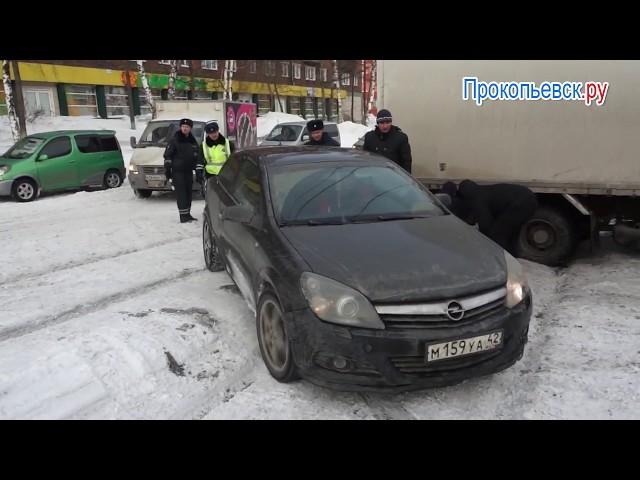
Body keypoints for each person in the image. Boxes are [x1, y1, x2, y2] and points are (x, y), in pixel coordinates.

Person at [442, 180, 538, 254]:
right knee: (511, 234)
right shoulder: (482, 191)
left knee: (497, 235)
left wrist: (484, 240)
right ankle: (512, 258)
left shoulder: (476, 199)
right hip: (529, 198)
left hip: (520, 203)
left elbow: (485, 224)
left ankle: (499, 262)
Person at [163, 118, 204, 223]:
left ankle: (187, 214)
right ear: (180, 127)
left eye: (187, 127)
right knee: (181, 194)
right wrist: (168, 170)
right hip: (178, 172)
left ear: (190, 128)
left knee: (188, 193)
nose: (185, 129)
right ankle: (183, 216)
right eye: (183, 127)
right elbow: (167, 155)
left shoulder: (192, 140)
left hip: (188, 171)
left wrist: (199, 169)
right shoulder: (175, 140)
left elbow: (196, 155)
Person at [362, 109, 412, 173]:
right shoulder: (370, 137)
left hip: (395, 176)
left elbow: (406, 162)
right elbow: (365, 160)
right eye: (382, 123)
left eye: (387, 122)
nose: (385, 126)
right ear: (377, 123)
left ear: (391, 122)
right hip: (375, 176)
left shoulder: (400, 138)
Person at [200, 121, 234, 195]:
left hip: (226, 175)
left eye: (215, 132)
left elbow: (235, 158)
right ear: (208, 134)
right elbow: (200, 160)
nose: (213, 135)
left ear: (218, 130)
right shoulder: (203, 146)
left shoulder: (228, 144)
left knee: (226, 196)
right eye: (211, 133)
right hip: (210, 175)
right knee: (212, 196)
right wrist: (199, 173)